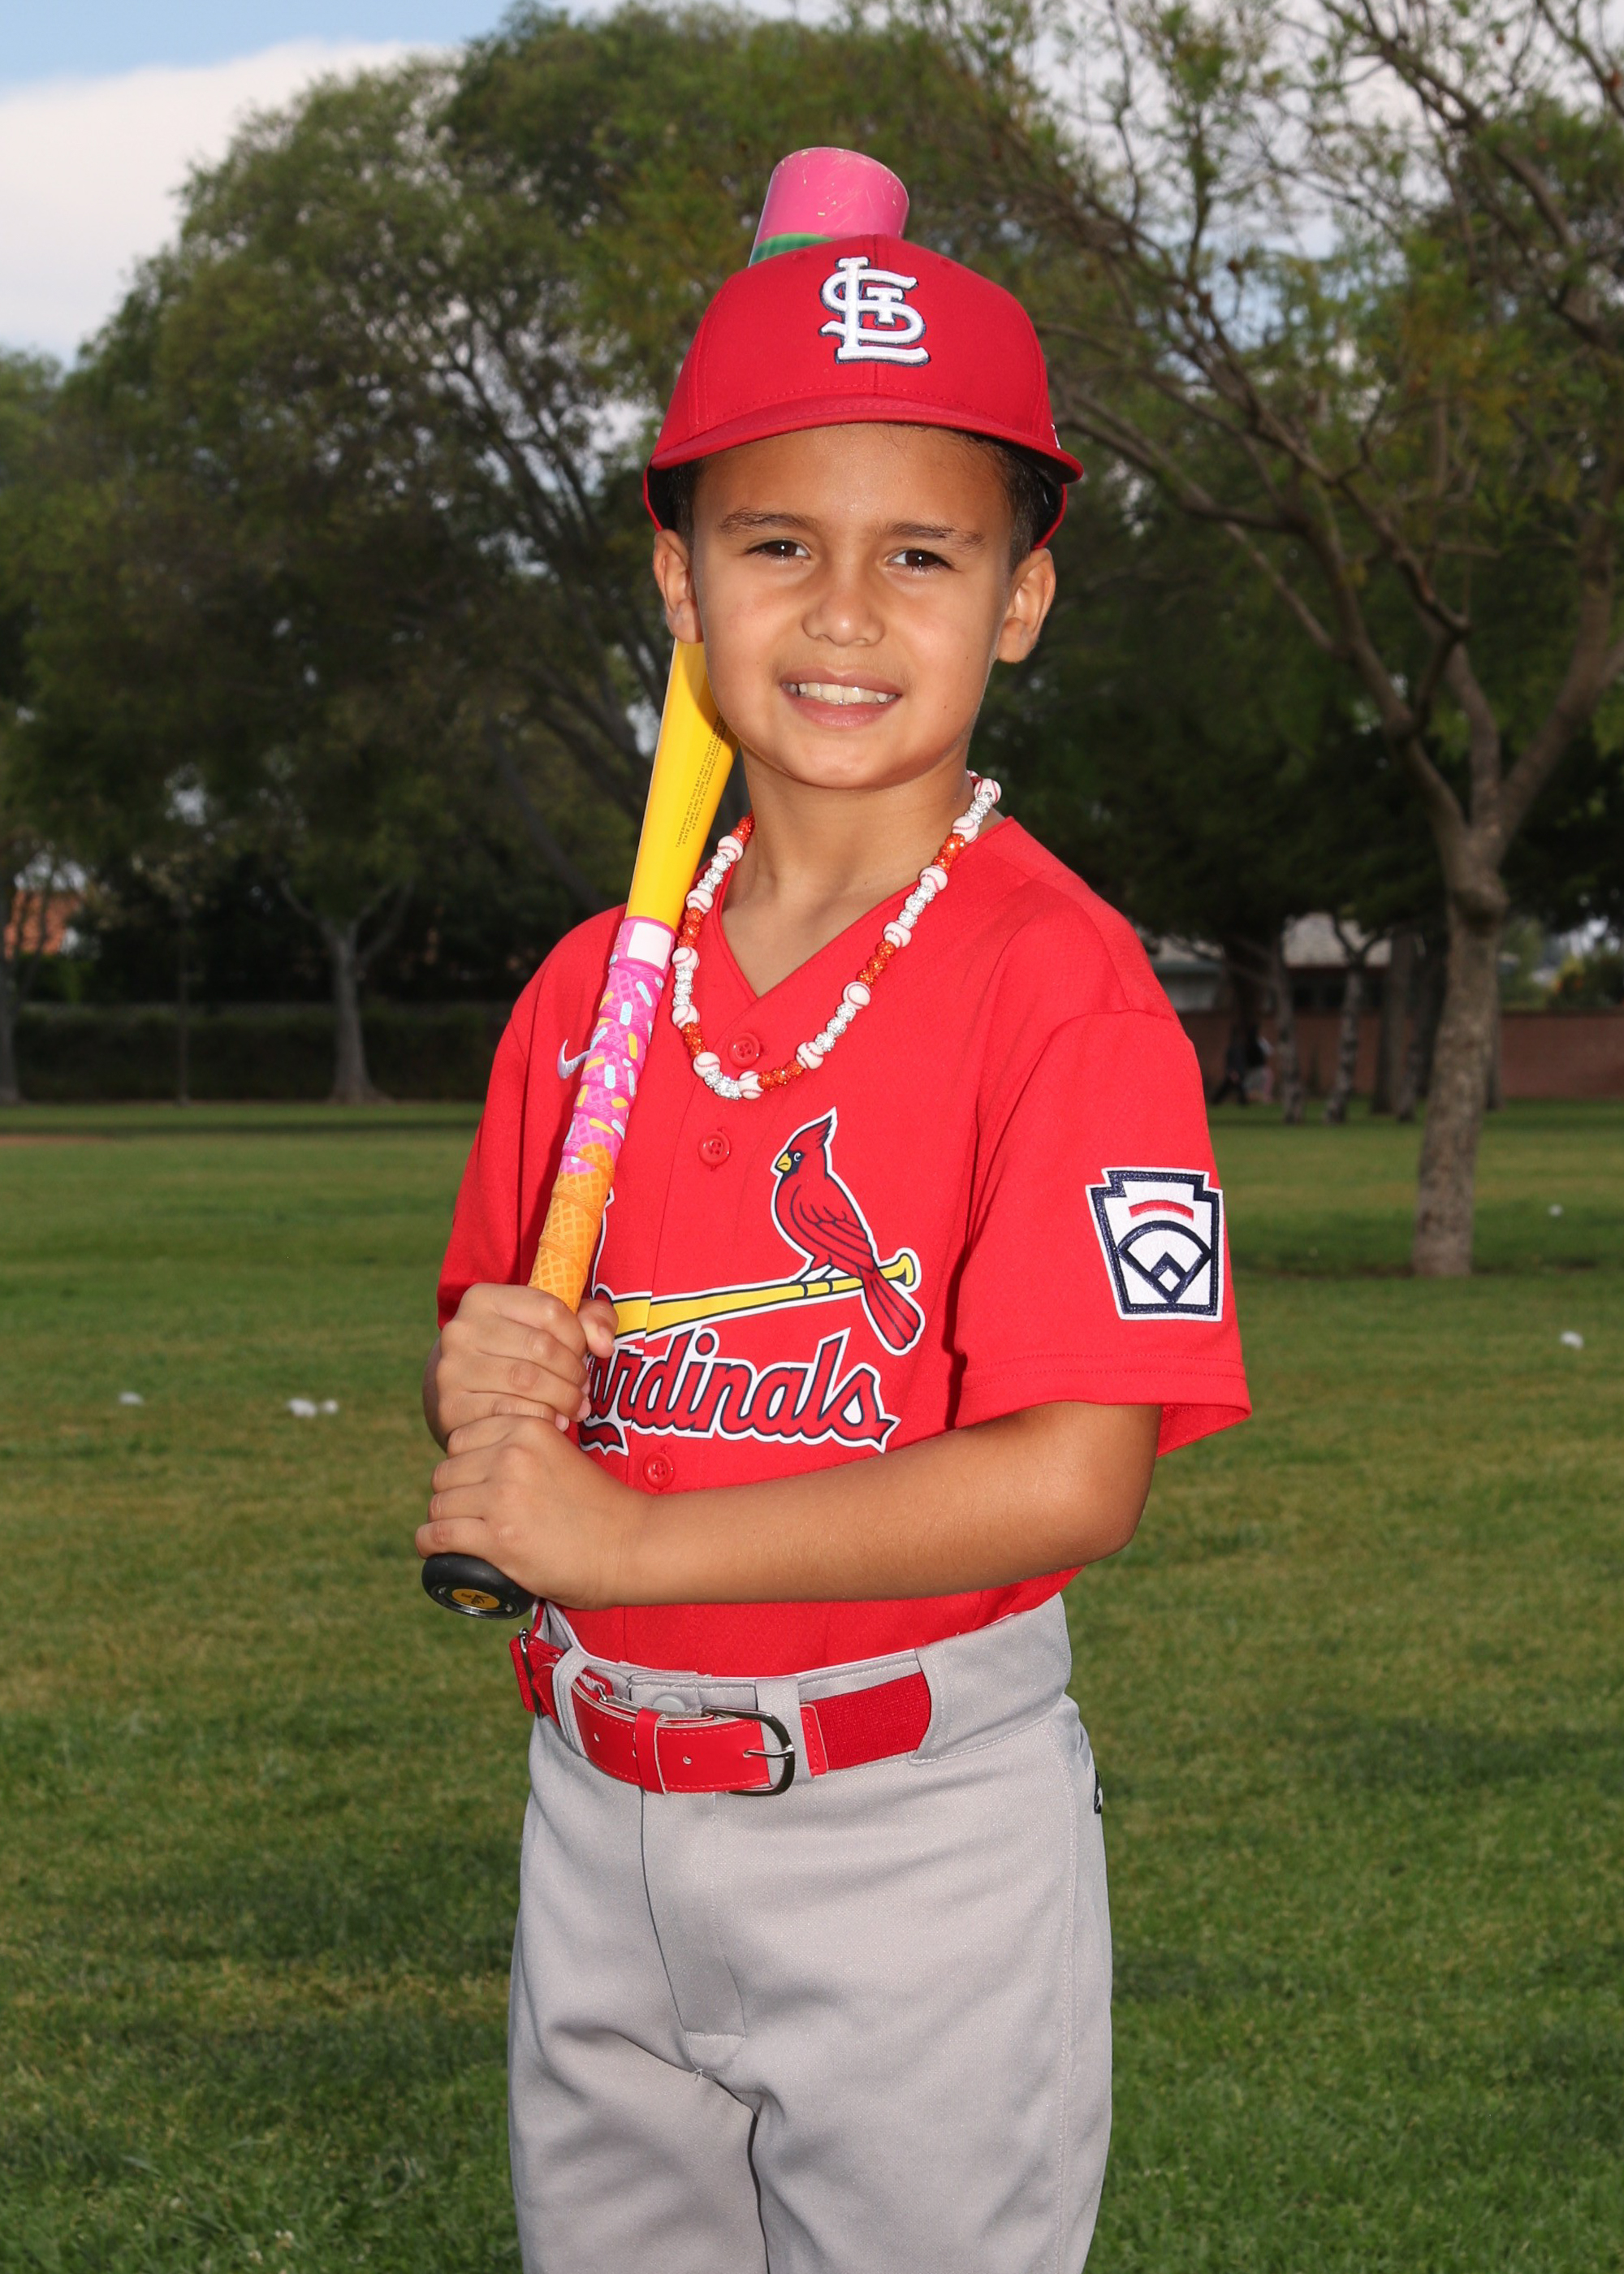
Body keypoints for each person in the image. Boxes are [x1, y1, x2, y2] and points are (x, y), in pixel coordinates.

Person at [418, 223, 1250, 2274]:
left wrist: (621, 1540)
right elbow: (526, 1369)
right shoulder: (592, 991)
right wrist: (490, 1381)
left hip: (912, 1828)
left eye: (924, 553)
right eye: (777, 543)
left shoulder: (1064, 991)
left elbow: (1076, 1473)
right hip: (595, 1806)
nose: (847, 610)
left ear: (1021, 597)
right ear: (678, 580)